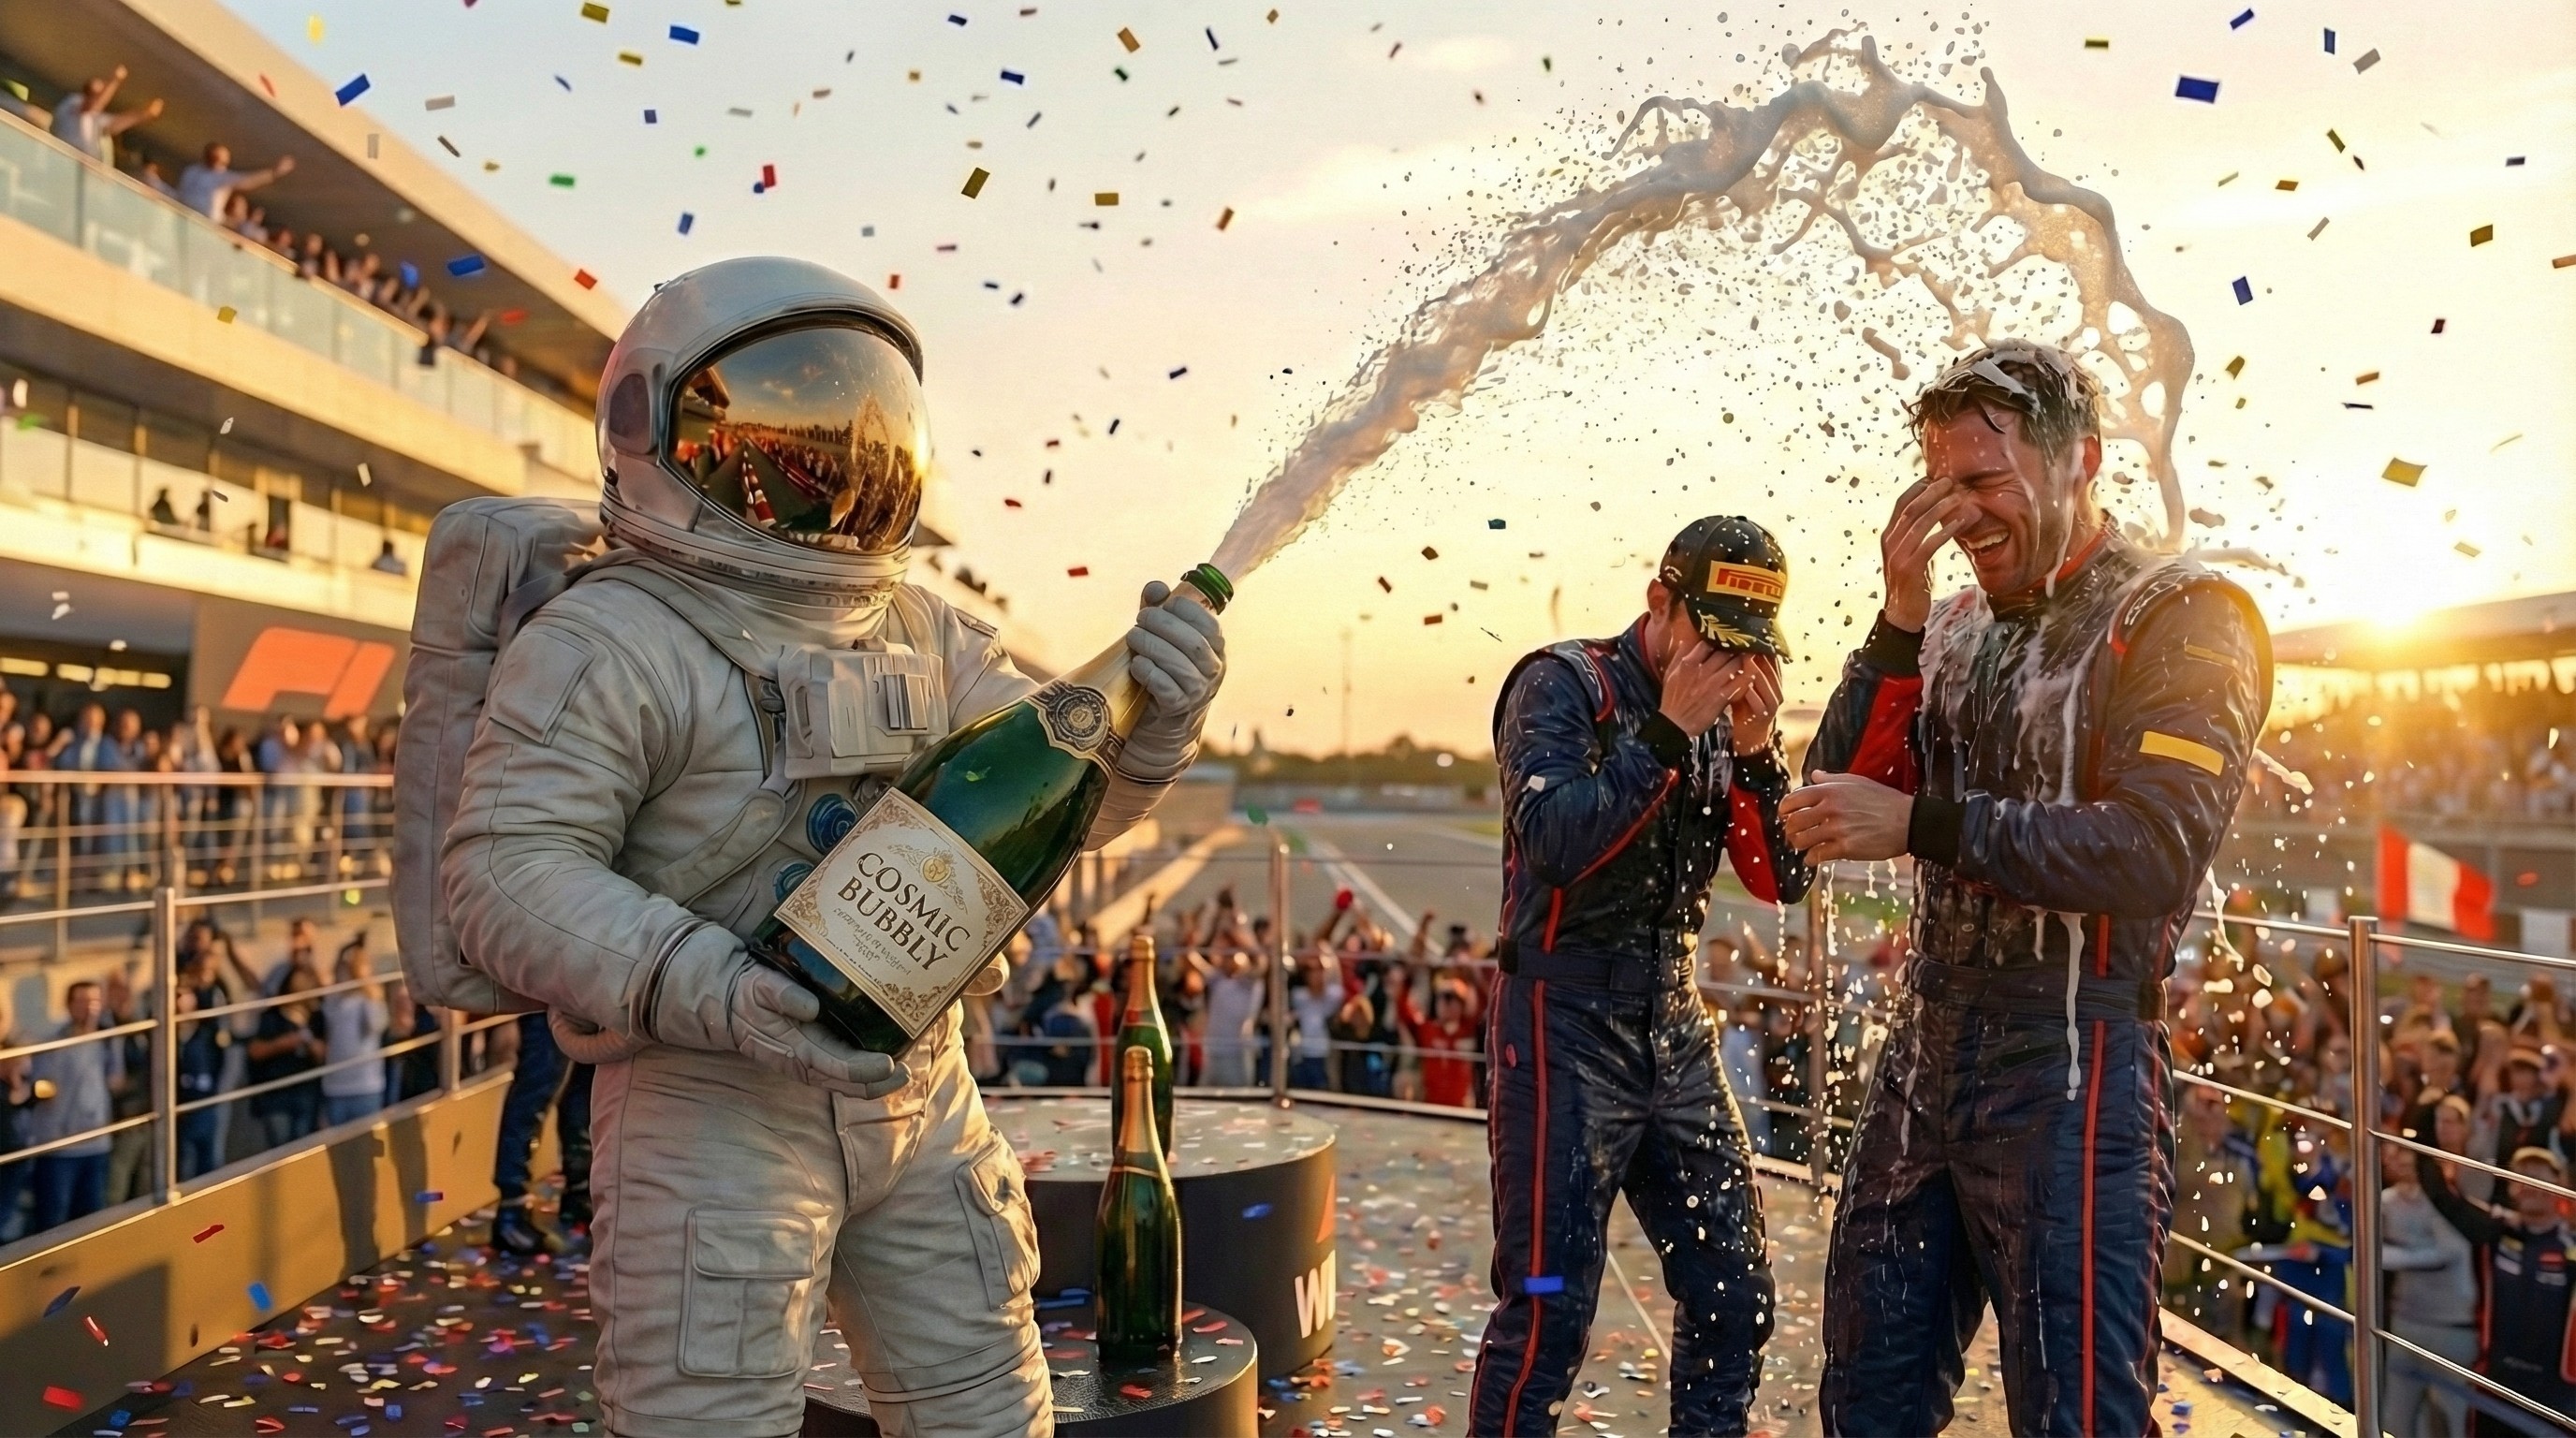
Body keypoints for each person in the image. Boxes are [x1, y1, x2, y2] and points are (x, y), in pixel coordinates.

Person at [438, 257, 1224, 1436]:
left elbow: (1049, 816)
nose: (843, 469)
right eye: (791, 420)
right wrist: (714, 986)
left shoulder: (920, 627)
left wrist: (1153, 728)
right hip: (710, 1107)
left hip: (923, 1090)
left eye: (861, 425)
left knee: (991, 1415)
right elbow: (504, 871)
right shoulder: (611, 638)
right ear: (653, 426)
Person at [1791, 340, 2273, 1436]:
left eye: (1983, 479)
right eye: (1938, 485)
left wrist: (1923, 826)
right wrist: (1898, 617)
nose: (1958, 514)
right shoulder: (1952, 624)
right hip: (1924, 1046)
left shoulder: (2183, 611)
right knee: (1865, 1397)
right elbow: (1827, 800)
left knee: (2076, 1415)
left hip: (2073, 1062)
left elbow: (2153, 850)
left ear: (2080, 460)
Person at [1471, 514, 1810, 1436]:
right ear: (1661, 602)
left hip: (1675, 1018)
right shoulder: (1562, 683)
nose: (1729, 664)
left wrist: (1757, 753)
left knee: (1735, 1289)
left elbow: (1783, 879)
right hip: (1561, 1016)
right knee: (1547, 1305)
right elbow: (1553, 843)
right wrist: (1666, 734)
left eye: (1749, 648)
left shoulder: (1728, 714)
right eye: (1714, 638)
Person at [2413, 1118, 2576, 1435]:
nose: (2529, 1183)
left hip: (2556, 1395)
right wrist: (2422, 1125)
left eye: (2539, 1175)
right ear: (2511, 1186)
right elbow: (2445, 1199)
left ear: (2559, 1184)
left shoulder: (2571, 1246)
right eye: (2521, 1175)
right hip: (2497, 1384)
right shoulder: (2496, 1232)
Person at [2382, 1123, 2479, 1438]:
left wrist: (2390, 1256)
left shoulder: (2447, 1200)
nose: (2403, 1159)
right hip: (2405, 1321)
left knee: (2453, 1420)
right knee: (2396, 1419)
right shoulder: (2386, 1202)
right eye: (2398, 1151)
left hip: (2450, 1325)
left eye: (2411, 1153)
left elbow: (2450, 1251)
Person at [486, 1010, 593, 1256]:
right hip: (549, 1003)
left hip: (582, 1002)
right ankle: (511, 1212)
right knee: (534, 1097)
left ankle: (578, 1196)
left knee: (579, 1093)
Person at [24, 980, 125, 1233]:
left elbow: (116, 1081)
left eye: (94, 1001)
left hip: (96, 1145)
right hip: (60, 1149)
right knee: (53, 1222)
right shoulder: (52, 1045)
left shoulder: (107, 1040)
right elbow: (39, 1087)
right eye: (82, 1001)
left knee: (92, 1221)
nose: (89, 1008)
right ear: (69, 1006)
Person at [318, 937, 388, 1128]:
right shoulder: (333, 1000)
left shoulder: (371, 999)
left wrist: (363, 979)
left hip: (366, 1088)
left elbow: (377, 1024)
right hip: (335, 1089)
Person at [50, 68, 161, 165]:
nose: (97, 99)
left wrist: (145, 114)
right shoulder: (70, 106)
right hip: (66, 160)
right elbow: (97, 106)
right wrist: (115, 81)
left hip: (87, 166)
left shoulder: (89, 115)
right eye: (94, 95)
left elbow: (114, 124)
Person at [176, 142, 294, 221]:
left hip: (204, 221)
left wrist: (273, 173)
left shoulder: (221, 176)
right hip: (183, 214)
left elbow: (247, 181)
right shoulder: (193, 170)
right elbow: (247, 181)